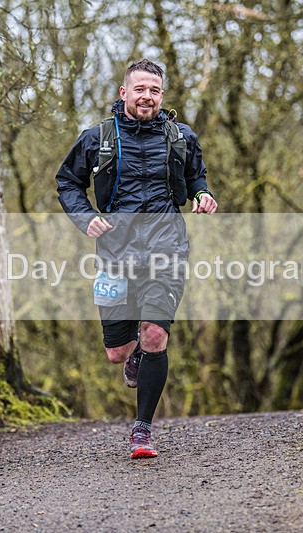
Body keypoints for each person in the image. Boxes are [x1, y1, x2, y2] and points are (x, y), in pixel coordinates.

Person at [55, 59, 217, 459]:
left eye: (155, 90)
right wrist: (85, 217)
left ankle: (142, 430)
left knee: (155, 333)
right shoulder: (97, 138)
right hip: (115, 252)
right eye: (140, 89)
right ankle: (138, 353)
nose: (147, 97)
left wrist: (202, 194)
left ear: (163, 96)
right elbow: (68, 182)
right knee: (119, 353)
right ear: (124, 92)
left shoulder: (180, 136)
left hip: (167, 248)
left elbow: (196, 176)